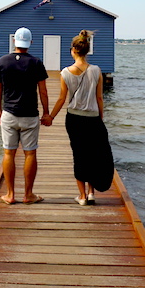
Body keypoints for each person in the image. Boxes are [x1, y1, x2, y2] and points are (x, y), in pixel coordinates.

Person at [45, 30, 114, 205]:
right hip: (93, 118)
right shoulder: (96, 70)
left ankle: (82, 196)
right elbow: (100, 98)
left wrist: (51, 116)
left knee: (79, 155)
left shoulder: (65, 73)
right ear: (87, 50)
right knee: (93, 154)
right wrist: (100, 117)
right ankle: (91, 193)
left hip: (74, 119)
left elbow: (62, 98)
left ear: (73, 51)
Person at [0, 27, 52, 205]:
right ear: (30, 43)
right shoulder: (36, 63)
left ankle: (10, 194)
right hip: (29, 115)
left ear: (14, 42)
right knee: (30, 154)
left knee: (8, 153)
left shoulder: (3, 61)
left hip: (9, 113)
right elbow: (43, 91)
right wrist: (47, 113)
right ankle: (28, 195)